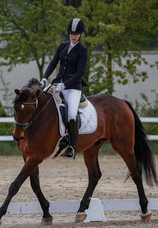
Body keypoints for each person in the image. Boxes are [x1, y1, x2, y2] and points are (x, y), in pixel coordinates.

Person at [40, 18, 88, 159]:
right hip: (57, 83)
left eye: (76, 33)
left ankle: (72, 147)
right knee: (41, 102)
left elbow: (80, 73)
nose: (73, 36)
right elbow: (53, 63)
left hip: (73, 87)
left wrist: (65, 85)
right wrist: (44, 78)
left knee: (72, 114)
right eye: (71, 33)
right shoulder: (62, 46)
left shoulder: (82, 50)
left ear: (81, 34)